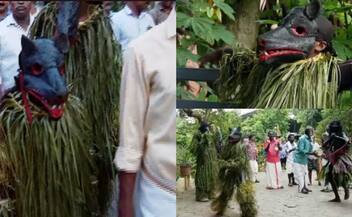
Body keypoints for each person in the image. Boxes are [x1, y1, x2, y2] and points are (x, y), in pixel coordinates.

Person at [30, 1, 122, 215]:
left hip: (93, 133)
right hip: (53, 131)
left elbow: (108, 86)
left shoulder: (102, 27)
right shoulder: (46, 20)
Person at [114, 8, 176, 217]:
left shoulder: (148, 18)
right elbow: (130, 138)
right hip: (158, 193)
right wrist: (125, 205)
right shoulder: (141, 49)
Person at [211, 128, 257, 217]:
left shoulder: (241, 147)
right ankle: (220, 209)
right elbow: (223, 157)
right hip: (231, 172)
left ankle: (248, 212)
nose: (231, 139)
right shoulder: (228, 146)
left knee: (243, 193)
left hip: (240, 173)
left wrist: (226, 164)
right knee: (225, 191)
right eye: (230, 137)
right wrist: (222, 163)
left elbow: (240, 162)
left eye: (233, 138)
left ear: (239, 138)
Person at [0, 1, 33, 99]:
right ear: (10, 2)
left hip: (39, 97)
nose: (21, 2)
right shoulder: (1, 30)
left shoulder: (42, 26)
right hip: (10, 98)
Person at [321, 121, 352, 202]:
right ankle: (337, 197)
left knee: (340, 176)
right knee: (329, 177)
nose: (333, 128)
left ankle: (346, 189)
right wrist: (330, 139)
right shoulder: (330, 135)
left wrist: (336, 137)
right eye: (332, 127)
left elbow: (347, 141)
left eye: (335, 126)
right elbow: (324, 146)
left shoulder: (342, 134)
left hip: (341, 158)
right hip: (333, 158)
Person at [191, 122, 218, 202]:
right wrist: (202, 142)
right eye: (207, 128)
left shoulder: (210, 135)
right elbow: (194, 148)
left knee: (210, 176)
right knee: (202, 177)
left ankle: (210, 193)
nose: (208, 129)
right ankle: (201, 195)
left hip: (210, 160)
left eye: (208, 128)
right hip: (202, 160)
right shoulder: (198, 134)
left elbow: (214, 141)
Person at [293, 127, 314, 194]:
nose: (312, 133)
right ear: (307, 132)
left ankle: (305, 187)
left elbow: (310, 149)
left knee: (305, 174)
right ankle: (301, 189)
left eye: (312, 131)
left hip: (304, 159)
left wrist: (314, 152)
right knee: (300, 174)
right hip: (298, 159)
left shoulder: (309, 139)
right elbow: (301, 149)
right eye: (310, 131)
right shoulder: (302, 138)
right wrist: (311, 153)